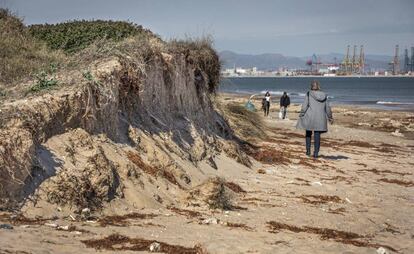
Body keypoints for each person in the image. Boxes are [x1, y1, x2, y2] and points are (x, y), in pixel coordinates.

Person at [296, 80, 333, 158]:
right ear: (318, 86)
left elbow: (304, 106)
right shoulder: (324, 95)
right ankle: (316, 153)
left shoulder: (309, 94)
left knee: (308, 134)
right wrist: (330, 117)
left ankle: (308, 151)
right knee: (317, 135)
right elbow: (328, 108)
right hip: (320, 118)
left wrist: (302, 114)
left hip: (310, 117)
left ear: (311, 86)